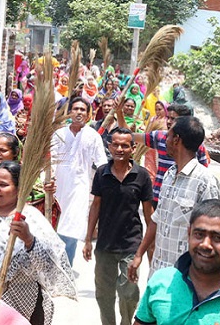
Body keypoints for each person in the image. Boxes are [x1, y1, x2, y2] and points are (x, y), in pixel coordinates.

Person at [0, 161, 77, 325]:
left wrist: (29, 239)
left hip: (25, 301)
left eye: (3, 185)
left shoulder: (31, 218)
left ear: (19, 188)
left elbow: (49, 264)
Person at [133, 199, 220, 325]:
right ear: (189, 234)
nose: (205, 244)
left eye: (218, 237)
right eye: (199, 234)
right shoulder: (161, 282)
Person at [128, 116, 220, 280]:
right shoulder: (169, 175)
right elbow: (157, 219)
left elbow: (214, 234)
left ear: (176, 140)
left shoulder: (205, 182)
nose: (165, 139)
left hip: (184, 276)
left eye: (168, 135)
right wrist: (139, 254)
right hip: (158, 270)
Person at [83, 128, 154, 325]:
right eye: (116, 144)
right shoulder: (102, 174)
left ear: (133, 148)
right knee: (104, 295)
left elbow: (149, 214)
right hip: (105, 244)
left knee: (128, 293)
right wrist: (88, 239)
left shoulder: (141, 176)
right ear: (109, 146)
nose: (120, 149)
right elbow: (95, 206)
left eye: (125, 145)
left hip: (131, 244)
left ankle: (126, 322)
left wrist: (148, 248)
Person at [117, 104, 209, 209]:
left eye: (173, 119)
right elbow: (129, 136)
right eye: (167, 117)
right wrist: (119, 113)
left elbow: (203, 171)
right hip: (159, 196)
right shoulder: (160, 137)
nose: (169, 121)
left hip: (184, 199)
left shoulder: (197, 145)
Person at [52, 97, 107, 266]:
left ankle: (67, 268)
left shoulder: (93, 136)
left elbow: (101, 163)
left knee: (72, 229)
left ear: (88, 114)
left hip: (79, 189)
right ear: (69, 112)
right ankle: (54, 268)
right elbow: (50, 161)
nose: (79, 112)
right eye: (75, 109)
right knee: (55, 228)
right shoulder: (59, 134)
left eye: (83, 110)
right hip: (57, 189)